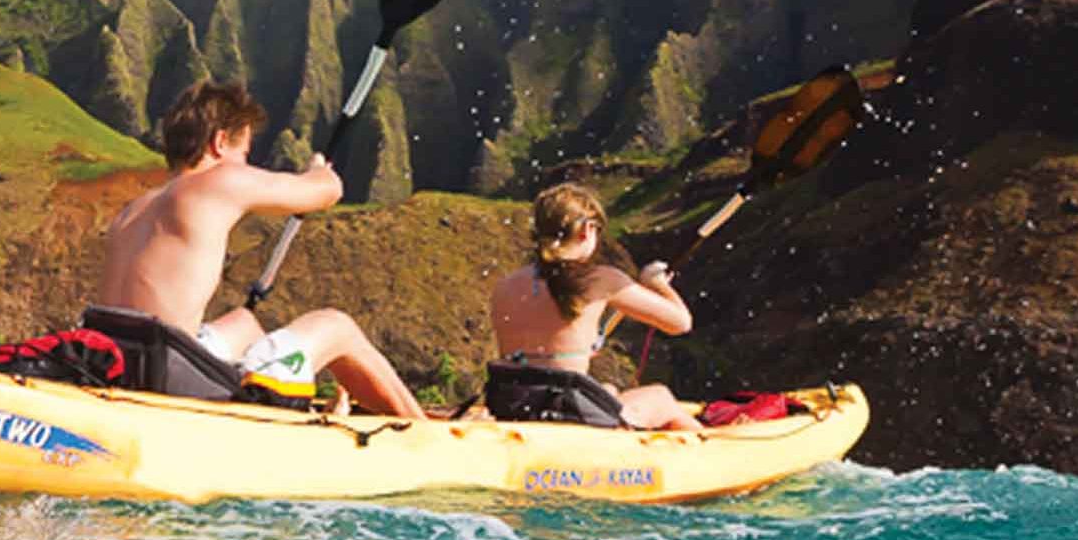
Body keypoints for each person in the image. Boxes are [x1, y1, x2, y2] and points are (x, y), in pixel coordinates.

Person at [96, 82, 425, 419]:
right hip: (165, 378)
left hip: (113, 361)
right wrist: (317, 170)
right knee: (337, 326)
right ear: (220, 142)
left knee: (244, 323)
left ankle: (262, 383)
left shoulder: (134, 209)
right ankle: (424, 430)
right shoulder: (220, 181)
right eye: (244, 154)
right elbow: (328, 191)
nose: (244, 164)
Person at [486, 183, 702, 431]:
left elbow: (543, 350)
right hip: (567, 410)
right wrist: (658, 284)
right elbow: (680, 323)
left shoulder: (505, 285)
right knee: (660, 397)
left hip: (512, 404)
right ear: (587, 229)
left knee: (609, 389)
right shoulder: (601, 279)